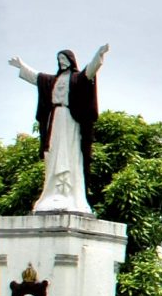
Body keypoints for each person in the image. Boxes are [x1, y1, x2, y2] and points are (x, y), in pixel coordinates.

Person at [10, 45, 108, 213]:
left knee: (69, 152)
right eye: (59, 60)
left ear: (70, 61)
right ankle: (52, 192)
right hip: (55, 120)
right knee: (53, 152)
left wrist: (98, 56)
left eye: (64, 59)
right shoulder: (52, 81)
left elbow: (90, 71)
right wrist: (21, 65)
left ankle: (69, 192)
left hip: (71, 120)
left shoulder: (77, 79)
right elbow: (37, 78)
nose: (61, 62)